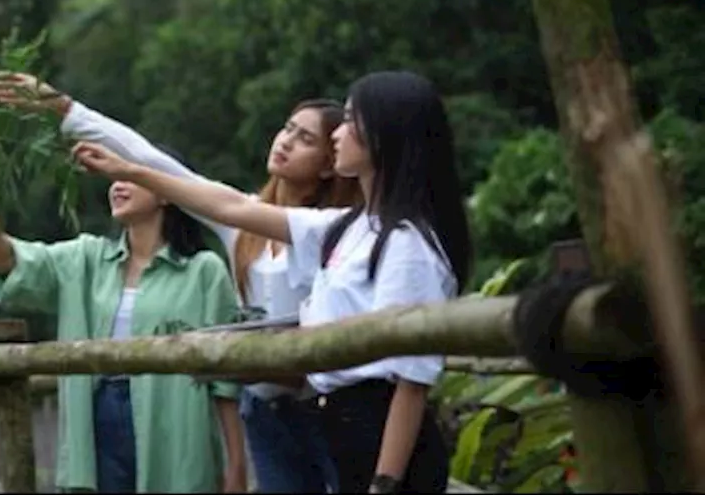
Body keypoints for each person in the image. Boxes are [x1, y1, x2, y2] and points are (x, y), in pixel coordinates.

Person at [70, 70, 471, 494]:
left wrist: (385, 483)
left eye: (351, 121)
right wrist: (132, 170)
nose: (340, 134)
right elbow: (228, 205)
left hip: (377, 433)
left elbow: (410, 382)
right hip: (339, 423)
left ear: (384, 136)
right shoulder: (349, 227)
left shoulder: (407, 244)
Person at [0, 72, 357, 493]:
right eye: (288, 128)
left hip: (329, 409)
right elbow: (152, 159)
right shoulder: (241, 225)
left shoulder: (336, 231)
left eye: (306, 139)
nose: (286, 141)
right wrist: (66, 109)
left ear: (331, 164)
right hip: (265, 411)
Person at [0, 146, 248, 493]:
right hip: (98, 415)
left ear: (166, 192)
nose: (117, 185)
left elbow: (225, 383)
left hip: (175, 420)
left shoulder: (203, 271)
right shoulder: (85, 259)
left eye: (130, 176)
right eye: (114, 178)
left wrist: (237, 466)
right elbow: (6, 262)